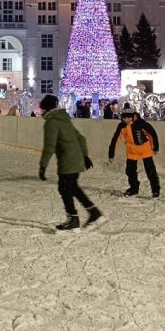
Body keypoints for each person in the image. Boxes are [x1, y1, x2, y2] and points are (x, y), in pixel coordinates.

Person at [38, 95, 103, 231]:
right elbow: (81, 138)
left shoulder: (51, 122)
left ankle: (75, 218)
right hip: (76, 157)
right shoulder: (63, 119)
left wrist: (43, 165)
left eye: (41, 107)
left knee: (65, 188)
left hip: (67, 160)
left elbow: (49, 145)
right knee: (71, 187)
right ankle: (92, 213)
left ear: (45, 108)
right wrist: (84, 156)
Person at [108, 106, 161, 198]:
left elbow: (152, 134)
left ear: (133, 116)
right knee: (130, 171)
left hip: (144, 149)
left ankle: (155, 190)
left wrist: (155, 147)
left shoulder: (141, 123)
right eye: (124, 117)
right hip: (131, 151)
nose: (126, 120)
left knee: (150, 170)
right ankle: (134, 189)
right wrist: (111, 154)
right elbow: (115, 140)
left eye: (129, 117)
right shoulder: (122, 126)